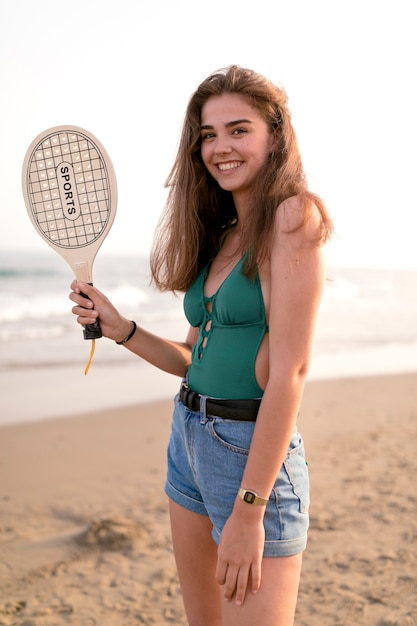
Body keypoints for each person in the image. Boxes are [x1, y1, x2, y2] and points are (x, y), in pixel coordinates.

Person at [69, 65, 333, 626]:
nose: (220, 147)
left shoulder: (293, 217)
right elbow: (195, 359)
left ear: (275, 135)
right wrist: (123, 329)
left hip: (249, 453)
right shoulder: (221, 236)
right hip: (188, 438)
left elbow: (291, 372)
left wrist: (249, 509)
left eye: (238, 129)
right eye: (208, 135)